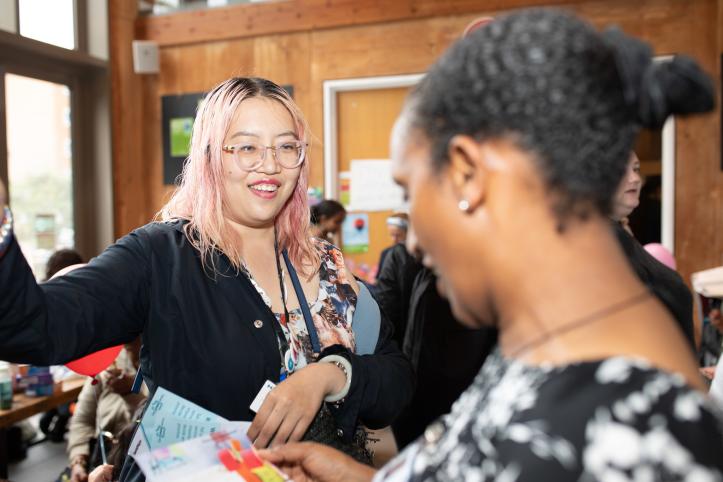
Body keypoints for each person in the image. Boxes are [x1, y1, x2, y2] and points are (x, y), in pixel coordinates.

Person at [261, 9, 723, 481]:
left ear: (467, 173)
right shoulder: (558, 333)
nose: (414, 244)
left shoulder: (620, 428)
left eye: (410, 191)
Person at [0, 77, 413, 482]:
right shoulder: (162, 258)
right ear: (211, 154)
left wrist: (331, 374)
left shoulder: (328, 267)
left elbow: (395, 380)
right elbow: (34, 325)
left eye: (286, 146)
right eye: (246, 146)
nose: (269, 164)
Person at [611, 153, 696, 349]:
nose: (635, 178)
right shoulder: (600, 243)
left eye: (636, 169)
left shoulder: (620, 235)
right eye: (621, 171)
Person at [66, 338, 145, 482]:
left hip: (129, 464)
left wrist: (130, 393)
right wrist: (78, 461)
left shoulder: (159, 373)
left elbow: (145, 424)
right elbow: (82, 419)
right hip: (96, 457)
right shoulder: (108, 365)